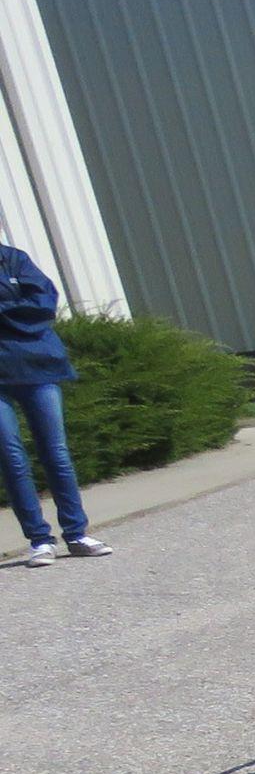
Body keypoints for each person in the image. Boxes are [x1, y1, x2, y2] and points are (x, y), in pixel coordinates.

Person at [0, 240, 108, 567]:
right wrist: (12, 306)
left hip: (39, 368)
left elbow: (43, 304)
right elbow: (26, 307)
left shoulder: (14, 261)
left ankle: (76, 534)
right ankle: (39, 541)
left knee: (55, 451)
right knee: (11, 455)